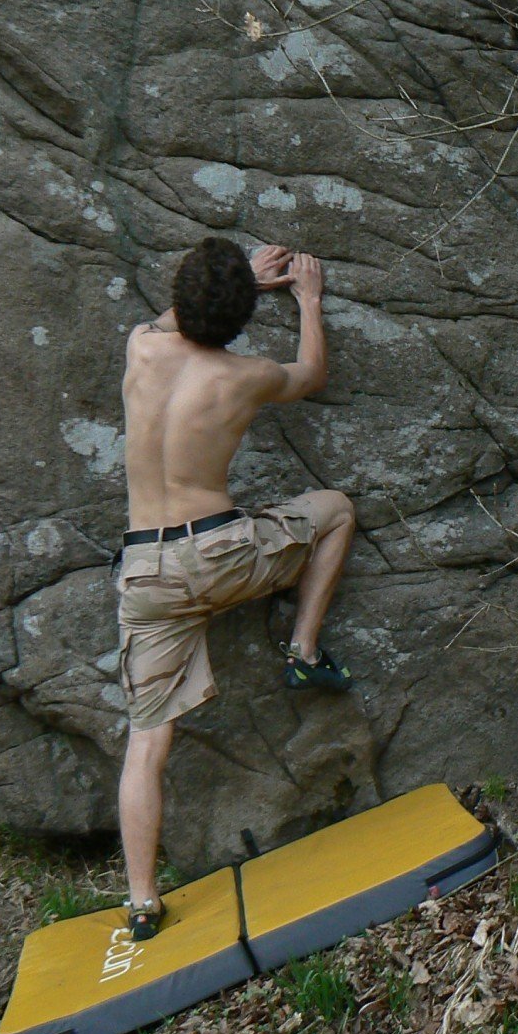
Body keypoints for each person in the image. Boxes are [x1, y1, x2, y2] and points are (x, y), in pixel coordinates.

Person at [114, 237, 357, 941]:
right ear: (241, 318)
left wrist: (237, 281)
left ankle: (141, 902)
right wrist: (308, 300)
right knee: (336, 510)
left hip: (148, 573)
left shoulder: (141, 347)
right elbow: (311, 373)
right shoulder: (246, 375)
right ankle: (303, 650)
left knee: (146, 740)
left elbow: (169, 319)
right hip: (222, 554)